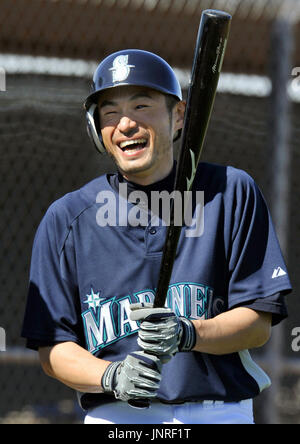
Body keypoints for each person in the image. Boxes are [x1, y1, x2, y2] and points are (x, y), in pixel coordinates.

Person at [21, 49, 292, 424]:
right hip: (118, 417)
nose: (125, 124)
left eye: (142, 106)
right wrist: (109, 376)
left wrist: (189, 333)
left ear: (178, 116)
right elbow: (53, 347)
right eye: (110, 112)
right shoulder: (67, 217)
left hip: (216, 412)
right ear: (96, 129)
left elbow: (258, 322)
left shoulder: (229, 192)